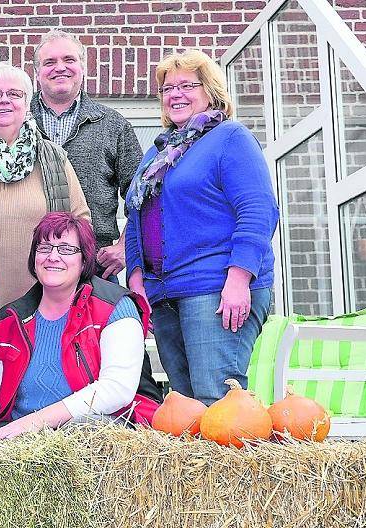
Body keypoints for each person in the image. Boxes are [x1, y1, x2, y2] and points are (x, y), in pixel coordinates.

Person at [125, 50, 279, 405]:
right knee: (186, 408)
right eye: (167, 89)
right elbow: (135, 217)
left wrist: (238, 279)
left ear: (210, 90)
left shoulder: (230, 138)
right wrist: (137, 280)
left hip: (215, 288)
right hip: (164, 295)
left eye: (186, 86)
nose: (175, 95)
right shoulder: (158, 154)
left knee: (216, 402)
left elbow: (258, 211)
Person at [0, 212, 162, 438]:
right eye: (44, 248)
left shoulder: (116, 307)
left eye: (66, 249)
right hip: (24, 438)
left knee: (86, 429)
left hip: (97, 431)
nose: (53, 257)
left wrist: (32, 423)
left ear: (84, 259)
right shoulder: (11, 319)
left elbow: (116, 390)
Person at [0, 61, 90, 392]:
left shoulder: (53, 158)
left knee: (38, 391)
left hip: (44, 305)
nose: (4, 100)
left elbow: (80, 219)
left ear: (28, 102)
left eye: (14, 94)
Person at [30, 30, 143, 282]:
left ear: (83, 67)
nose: (60, 67)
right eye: (49, 62)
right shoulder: (17, 122)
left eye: (68, 60)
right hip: (29, 268)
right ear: (37, 72)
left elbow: (142, 195)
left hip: (95, 268)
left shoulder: (113, 125)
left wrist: (125, 246)